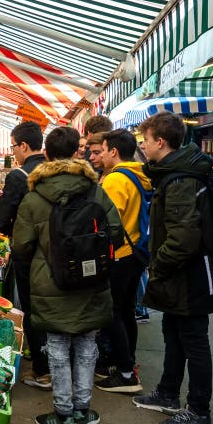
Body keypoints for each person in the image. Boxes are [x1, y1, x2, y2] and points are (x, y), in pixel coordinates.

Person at [13, 127, 123, 424]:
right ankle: (83, 410)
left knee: (58, 345)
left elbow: (20, 247)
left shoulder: (34, 197)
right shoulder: (96, 191)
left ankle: (63, 415)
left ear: (46, 154)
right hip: (92, 279)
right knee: (87, 343)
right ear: (79, 151)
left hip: (50, 283)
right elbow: (114, 231)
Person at [133, 112, 213, 424]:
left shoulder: (181, 179)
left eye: (145, 140)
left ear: (161, 142)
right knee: (173, 333)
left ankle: (199, 411)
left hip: (191, 275)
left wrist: (157, 265)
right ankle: (168, 393)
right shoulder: (174, 174)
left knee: (194, 341)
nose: (142, 146)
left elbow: (184, 237)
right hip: (180, 274)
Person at [0, 121, 49, 389]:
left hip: (29, 252)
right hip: (55, 251)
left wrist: (1, 227)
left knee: (32, 307)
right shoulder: (54, 170)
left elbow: (3, 218)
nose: (13, 151)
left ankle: (42, 369)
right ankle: (54, 363)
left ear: (24, 146)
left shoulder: (19, 176)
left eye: (14, 146)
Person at [94, 129, 150, 394]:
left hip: (119, 254)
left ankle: (126, 372)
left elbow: (108, 222)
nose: (100, 155)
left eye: (103, 150)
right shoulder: (138, 174)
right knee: (126, 310)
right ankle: (125, 362)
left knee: (113, 312)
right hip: (136, 252)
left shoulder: (116, 180)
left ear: (113, 151)